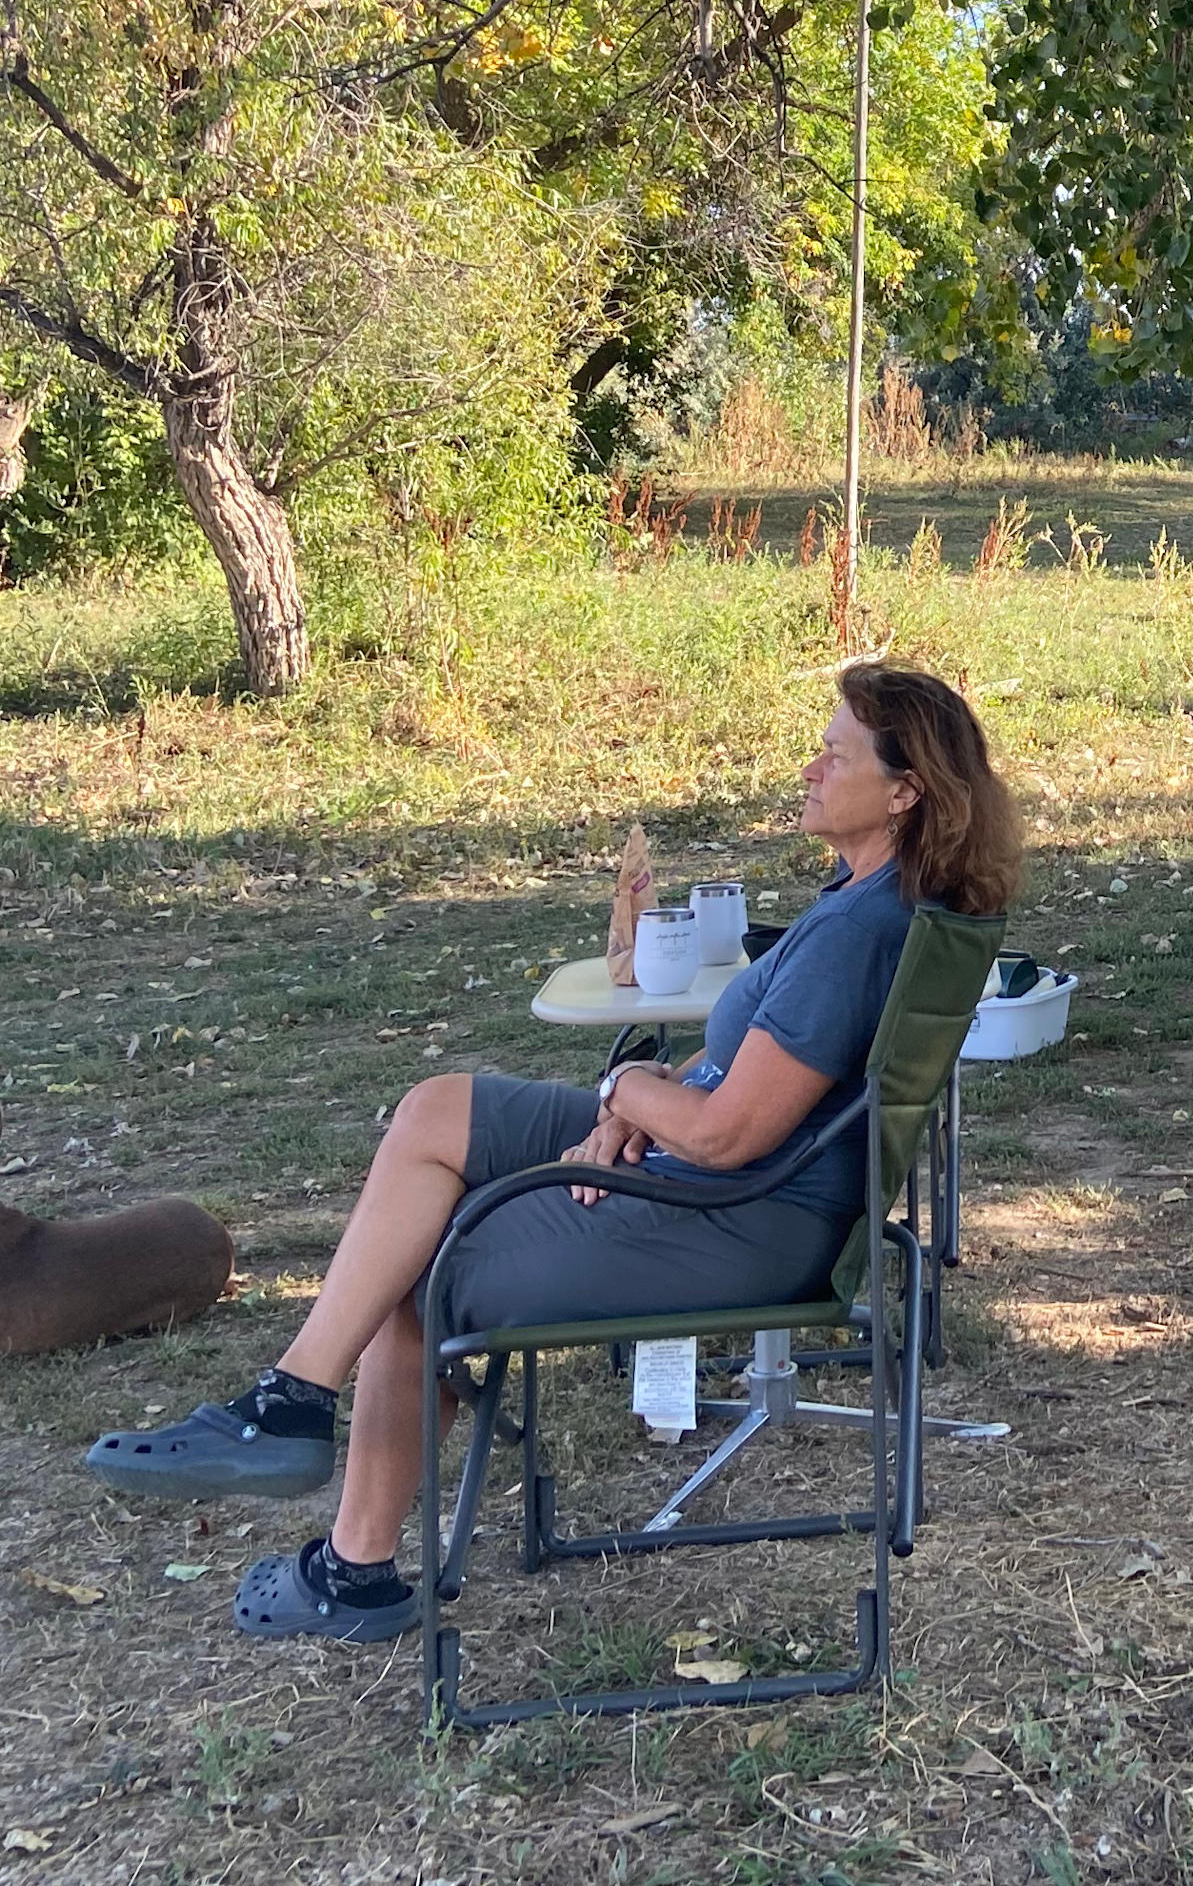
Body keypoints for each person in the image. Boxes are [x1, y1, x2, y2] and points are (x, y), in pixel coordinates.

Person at [80, 663, 1021, 1642]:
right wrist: (643, 1102)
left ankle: (349, 1563)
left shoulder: (855, 936)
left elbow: (731, 1132)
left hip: (729, 1215)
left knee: (420, 1265)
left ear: (905, 791)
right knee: (439, 1110)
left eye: (834, 753)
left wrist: (631, 1095)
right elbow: (750, 1059)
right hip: (712, 1174)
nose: (810, 766)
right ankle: (293, 1400)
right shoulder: (865, 900)